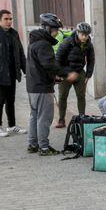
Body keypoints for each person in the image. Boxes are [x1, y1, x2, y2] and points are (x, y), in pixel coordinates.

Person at [26, 13, 78, 155]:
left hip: (33, 86)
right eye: (55, 29)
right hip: (42, 88)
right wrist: (67, 74)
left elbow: (39, 66)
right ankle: (43, 147)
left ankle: (33, 144)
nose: (57, 33)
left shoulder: (34, 42)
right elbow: (49, 65)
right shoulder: (44, 44)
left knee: (34, 116)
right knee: (44, 117)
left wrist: (54, 78)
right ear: (48, 28)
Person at [55, 22, 95, 128]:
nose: (84, 37)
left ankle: (82, 117)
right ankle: (61, 119)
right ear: (77, 32)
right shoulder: (67, 42)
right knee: (62, 96)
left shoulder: (88, 44)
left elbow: (91, 59)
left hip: (79, 72)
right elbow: (57, 58)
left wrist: (88, 75)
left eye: (87, 35)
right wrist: (59, 74)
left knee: (81, 96)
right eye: (82, 34)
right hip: (65, 72)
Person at [0, 9, 27, 137]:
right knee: (0, 101)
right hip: (0, 74)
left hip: (11, 73)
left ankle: (11, 126)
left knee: (11, 100)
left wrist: (26, 70)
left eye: (10, 19)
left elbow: (21, 54)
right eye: (6, 19)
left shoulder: (14, 34)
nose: (9, 21)